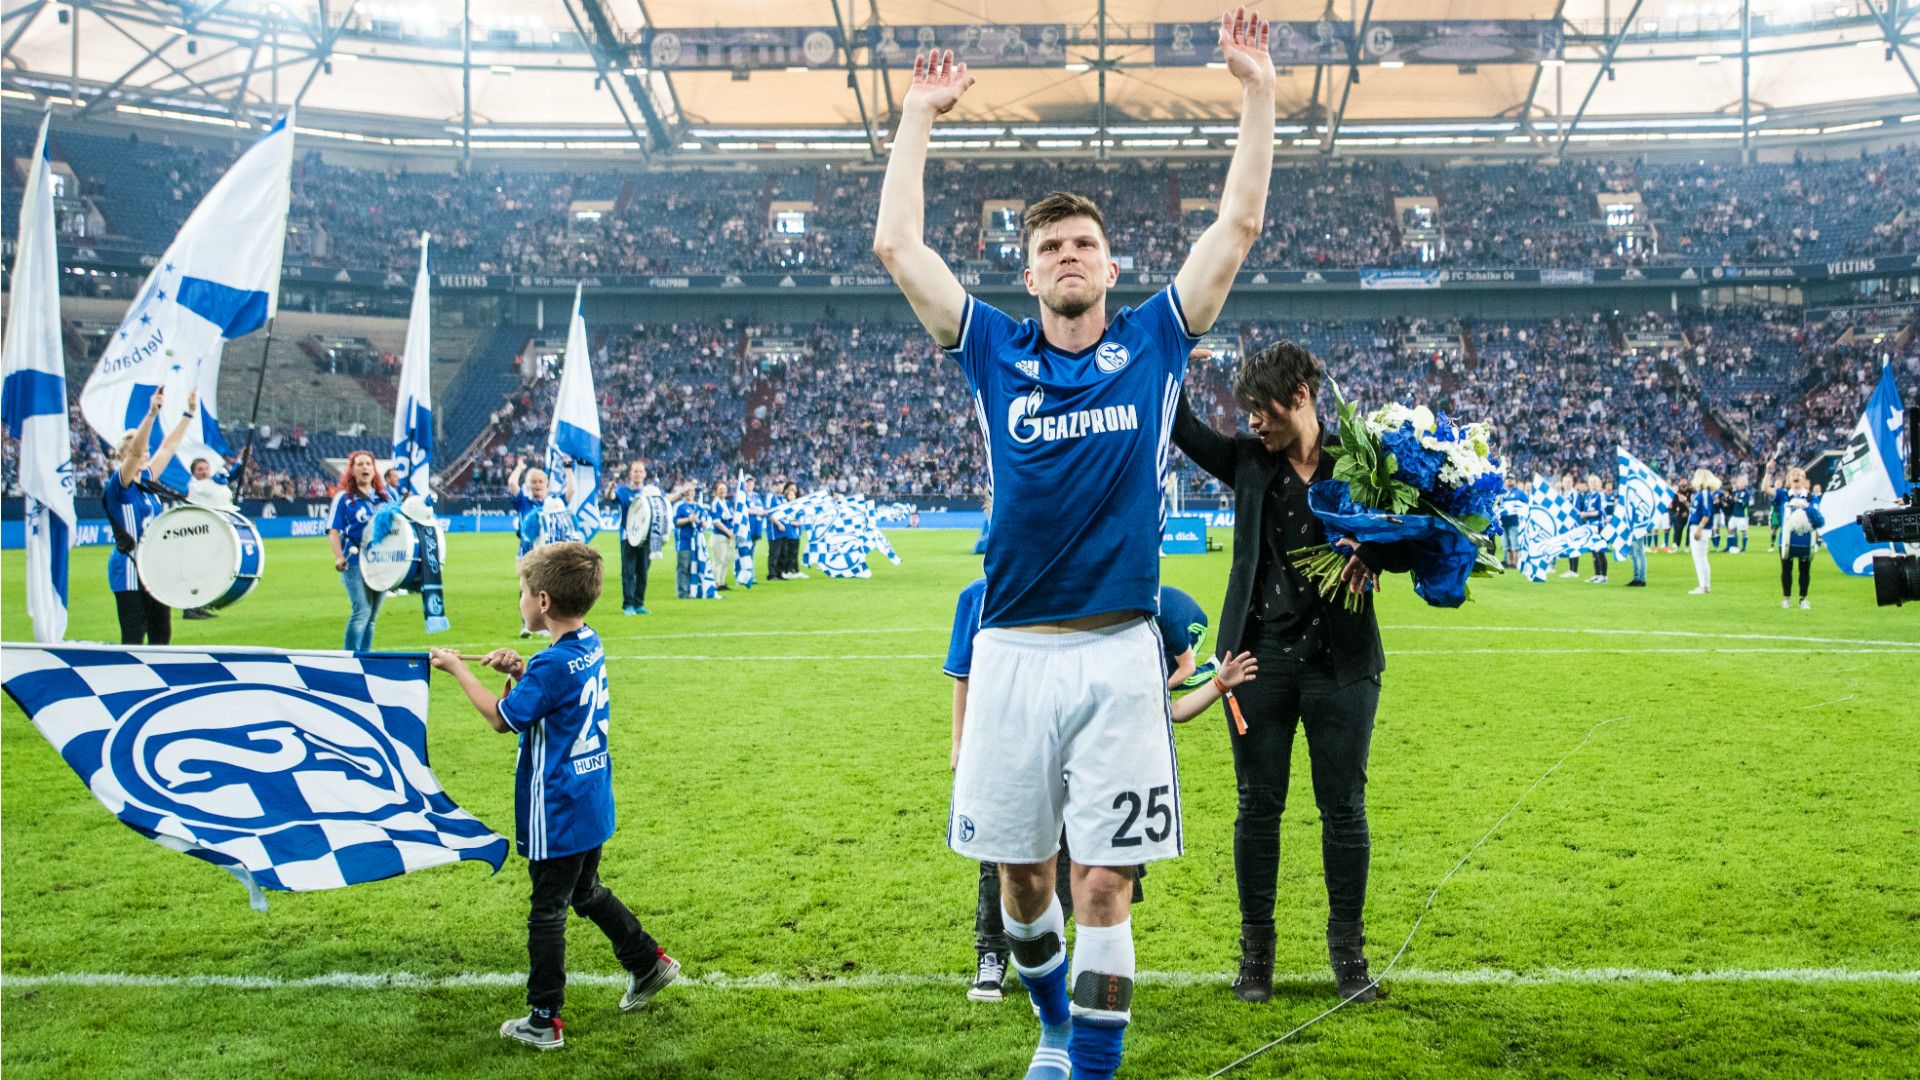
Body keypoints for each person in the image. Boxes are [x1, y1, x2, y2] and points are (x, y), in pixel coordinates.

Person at [871, 10, 1276, 1076]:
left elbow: (1234, 228)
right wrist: (917, 114)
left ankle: (1088, 1067)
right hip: (1009, 652)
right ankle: (1053, 1028)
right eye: (1050, 246)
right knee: (1024, 882)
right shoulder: (991, 351)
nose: (1069, 257)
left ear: (1109, 265)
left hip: (1114, 653)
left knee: (1101, 886)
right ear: (1030, 269)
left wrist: (1257, 91)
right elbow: (897, 246)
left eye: (1085, 244)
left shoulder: (1156, 340)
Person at [1172, 341, 1417, 1007]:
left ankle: (1350, 960)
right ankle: (1256, 961)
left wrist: (1374, 553)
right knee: (1258, 806)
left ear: (1301, 398)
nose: (1252, 422)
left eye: (1262, 410)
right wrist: (1167, 344)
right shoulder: (1250, 462)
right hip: (1258, 661)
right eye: (1247, 411)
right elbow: (1183, 426)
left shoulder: (1359, 462)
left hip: (1344, 664)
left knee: (1343, 809)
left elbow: (1415, 540)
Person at [944, 576, 1254, 1005]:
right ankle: (992, 958)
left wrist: (1217, 684)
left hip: (1101, 750)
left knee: (1096, 871)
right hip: (1012, 736)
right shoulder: (979, 595)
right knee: (1008, 862)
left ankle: (1065, 968)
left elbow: (1174, 710)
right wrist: (960, 742)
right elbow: (964, 675)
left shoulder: (1111, 593)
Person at [428, 542, 679, 1050]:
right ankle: (647, 962)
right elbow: (546, 700)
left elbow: (503, 721)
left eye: (521, 591)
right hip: (589, 798)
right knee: (584, 891)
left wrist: (459, 670)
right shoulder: (587, 644)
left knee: (548, 909)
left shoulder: (550, 665)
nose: (519, 599)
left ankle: (544, 1020)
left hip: (557, 806)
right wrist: (518, 673)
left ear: (542, 601)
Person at [104, 388, 196, 645]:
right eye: (139, 450)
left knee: (161, 634)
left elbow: (168, 448)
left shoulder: (146, 480)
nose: (145, 454)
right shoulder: (119, 486)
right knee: (134, 636)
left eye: (146, 450)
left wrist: (188, 414)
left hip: (153, 568)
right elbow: (135, 455)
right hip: (129, 568)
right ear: (123, 455)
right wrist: (152, 414)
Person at [509, 457, 580, 635]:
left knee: (549, 588)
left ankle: (546, 624)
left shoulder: (554, 504)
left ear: (546, 484)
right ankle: (526, 624)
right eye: (533, 481)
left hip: (549, 556)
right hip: (528, 553)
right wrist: (519, 467)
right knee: (525, 587)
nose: (537, 484)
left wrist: (568, 468)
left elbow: (571, 490)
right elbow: (511, 483)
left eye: (541, 481)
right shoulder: (524, 502)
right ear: (529, 485)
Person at [329, 450, 390, 652]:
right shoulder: (344, 498)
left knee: (371, 616)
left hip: (381, 562)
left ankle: (365, 658)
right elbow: (334, 530)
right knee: (361, 611)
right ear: (352, 471)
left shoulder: (386, 497)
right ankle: (350, 659)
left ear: (374, 470)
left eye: (368, 464)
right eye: (359, 464)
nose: (365, 467)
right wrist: (338, 557)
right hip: (353, 561)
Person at [609, 462, 674, 616]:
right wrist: (610, 488)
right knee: (629, 572)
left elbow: (666, 500)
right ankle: (628, 605)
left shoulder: (650, 492)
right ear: (631, 474)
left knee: (643, 572)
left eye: (640, 471)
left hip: (646, 537)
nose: (638, 474)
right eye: (635, 471)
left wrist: (681, 494)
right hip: (628, 537)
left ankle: (639, 604)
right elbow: (611, 497)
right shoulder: (623, 491)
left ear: (644, 474)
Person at [1776, 466, 1825, 609]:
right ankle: (1786, 598)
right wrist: (1768, 472)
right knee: (1786, 569)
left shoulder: (1811, 497)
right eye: (1793, 474)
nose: (1796, 476)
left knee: (1804, 570)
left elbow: (1819, 519)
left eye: (1800, 475)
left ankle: (1803, 599)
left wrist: (1807, 507)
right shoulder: (1783, 495)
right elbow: (1765, 488)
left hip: (1806, 538)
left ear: (1804, 480)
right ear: (1789, 479)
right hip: (1785, 539)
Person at [1688, 468, 1721, 595]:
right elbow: (1698, 511)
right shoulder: (1701, 494)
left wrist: (1699, 528)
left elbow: (1706, 514)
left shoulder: (1705, 494)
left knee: (1700, 558)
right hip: (1698, 527)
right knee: (1700, 558)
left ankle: (1704, 586)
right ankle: (1704, 585)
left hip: (1700, 528)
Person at [708, 479, 740, 590]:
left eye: (724, 489)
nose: (723, 491)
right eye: (720, 489)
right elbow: (716, 521)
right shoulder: (715, 504)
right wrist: (728, 532)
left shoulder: (727, 503)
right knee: (719, 560)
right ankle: (715, 583)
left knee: (726, 560)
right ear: (716, 491)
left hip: (727, 536)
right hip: (719, 536)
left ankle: (721, 582)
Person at [1577, 475, 1608, 583]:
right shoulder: (1588, 496)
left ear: (1599, 483)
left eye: (1595, 482)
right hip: (1590, 526)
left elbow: (1600, 512)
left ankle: (1603, 576)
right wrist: (1582, 515)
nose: (1593, 483)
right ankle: (1597, 574)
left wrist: (1586, 514)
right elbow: (1586, 511)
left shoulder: (1600, 495)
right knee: (1593, 551)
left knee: (1600, 551)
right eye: (1591, 482)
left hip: (1598, 526)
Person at [1725, 475, 1752, 554]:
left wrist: (1739, 500)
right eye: (1739, 482)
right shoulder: (1736, 492)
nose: (1740, 484)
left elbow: (1746, 504)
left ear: (1744, 484)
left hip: (1741, 516)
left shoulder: (1746, 494)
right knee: (1730, 530)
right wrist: (1729, 498)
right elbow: (1732, 502)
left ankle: (1743, 548)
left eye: (1742, 482)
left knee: (1743, 531)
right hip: (1734, 515)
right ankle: (1729, 547)